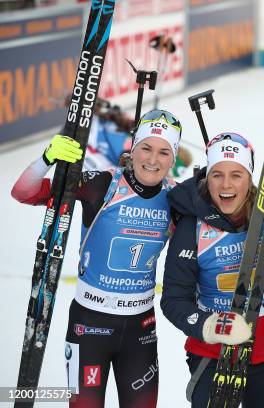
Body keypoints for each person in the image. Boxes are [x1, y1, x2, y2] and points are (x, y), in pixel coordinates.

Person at [11, 109, 182, 407]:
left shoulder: (177, 199)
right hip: (89, 326)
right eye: (146, 148)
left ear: (174, 157)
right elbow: (23, 192)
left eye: (164, 152)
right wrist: (46, 159)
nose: (153, 159)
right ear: (133, 147)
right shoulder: (102, 184)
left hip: (141, 329)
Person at [160, 133, 264, 408]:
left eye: (236, 174)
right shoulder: (191, 226)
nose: (226, 185)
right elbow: (173, 299)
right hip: (212, 355)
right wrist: (209, 326)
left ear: (250, 177)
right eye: (217, 175)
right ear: (206, 177)